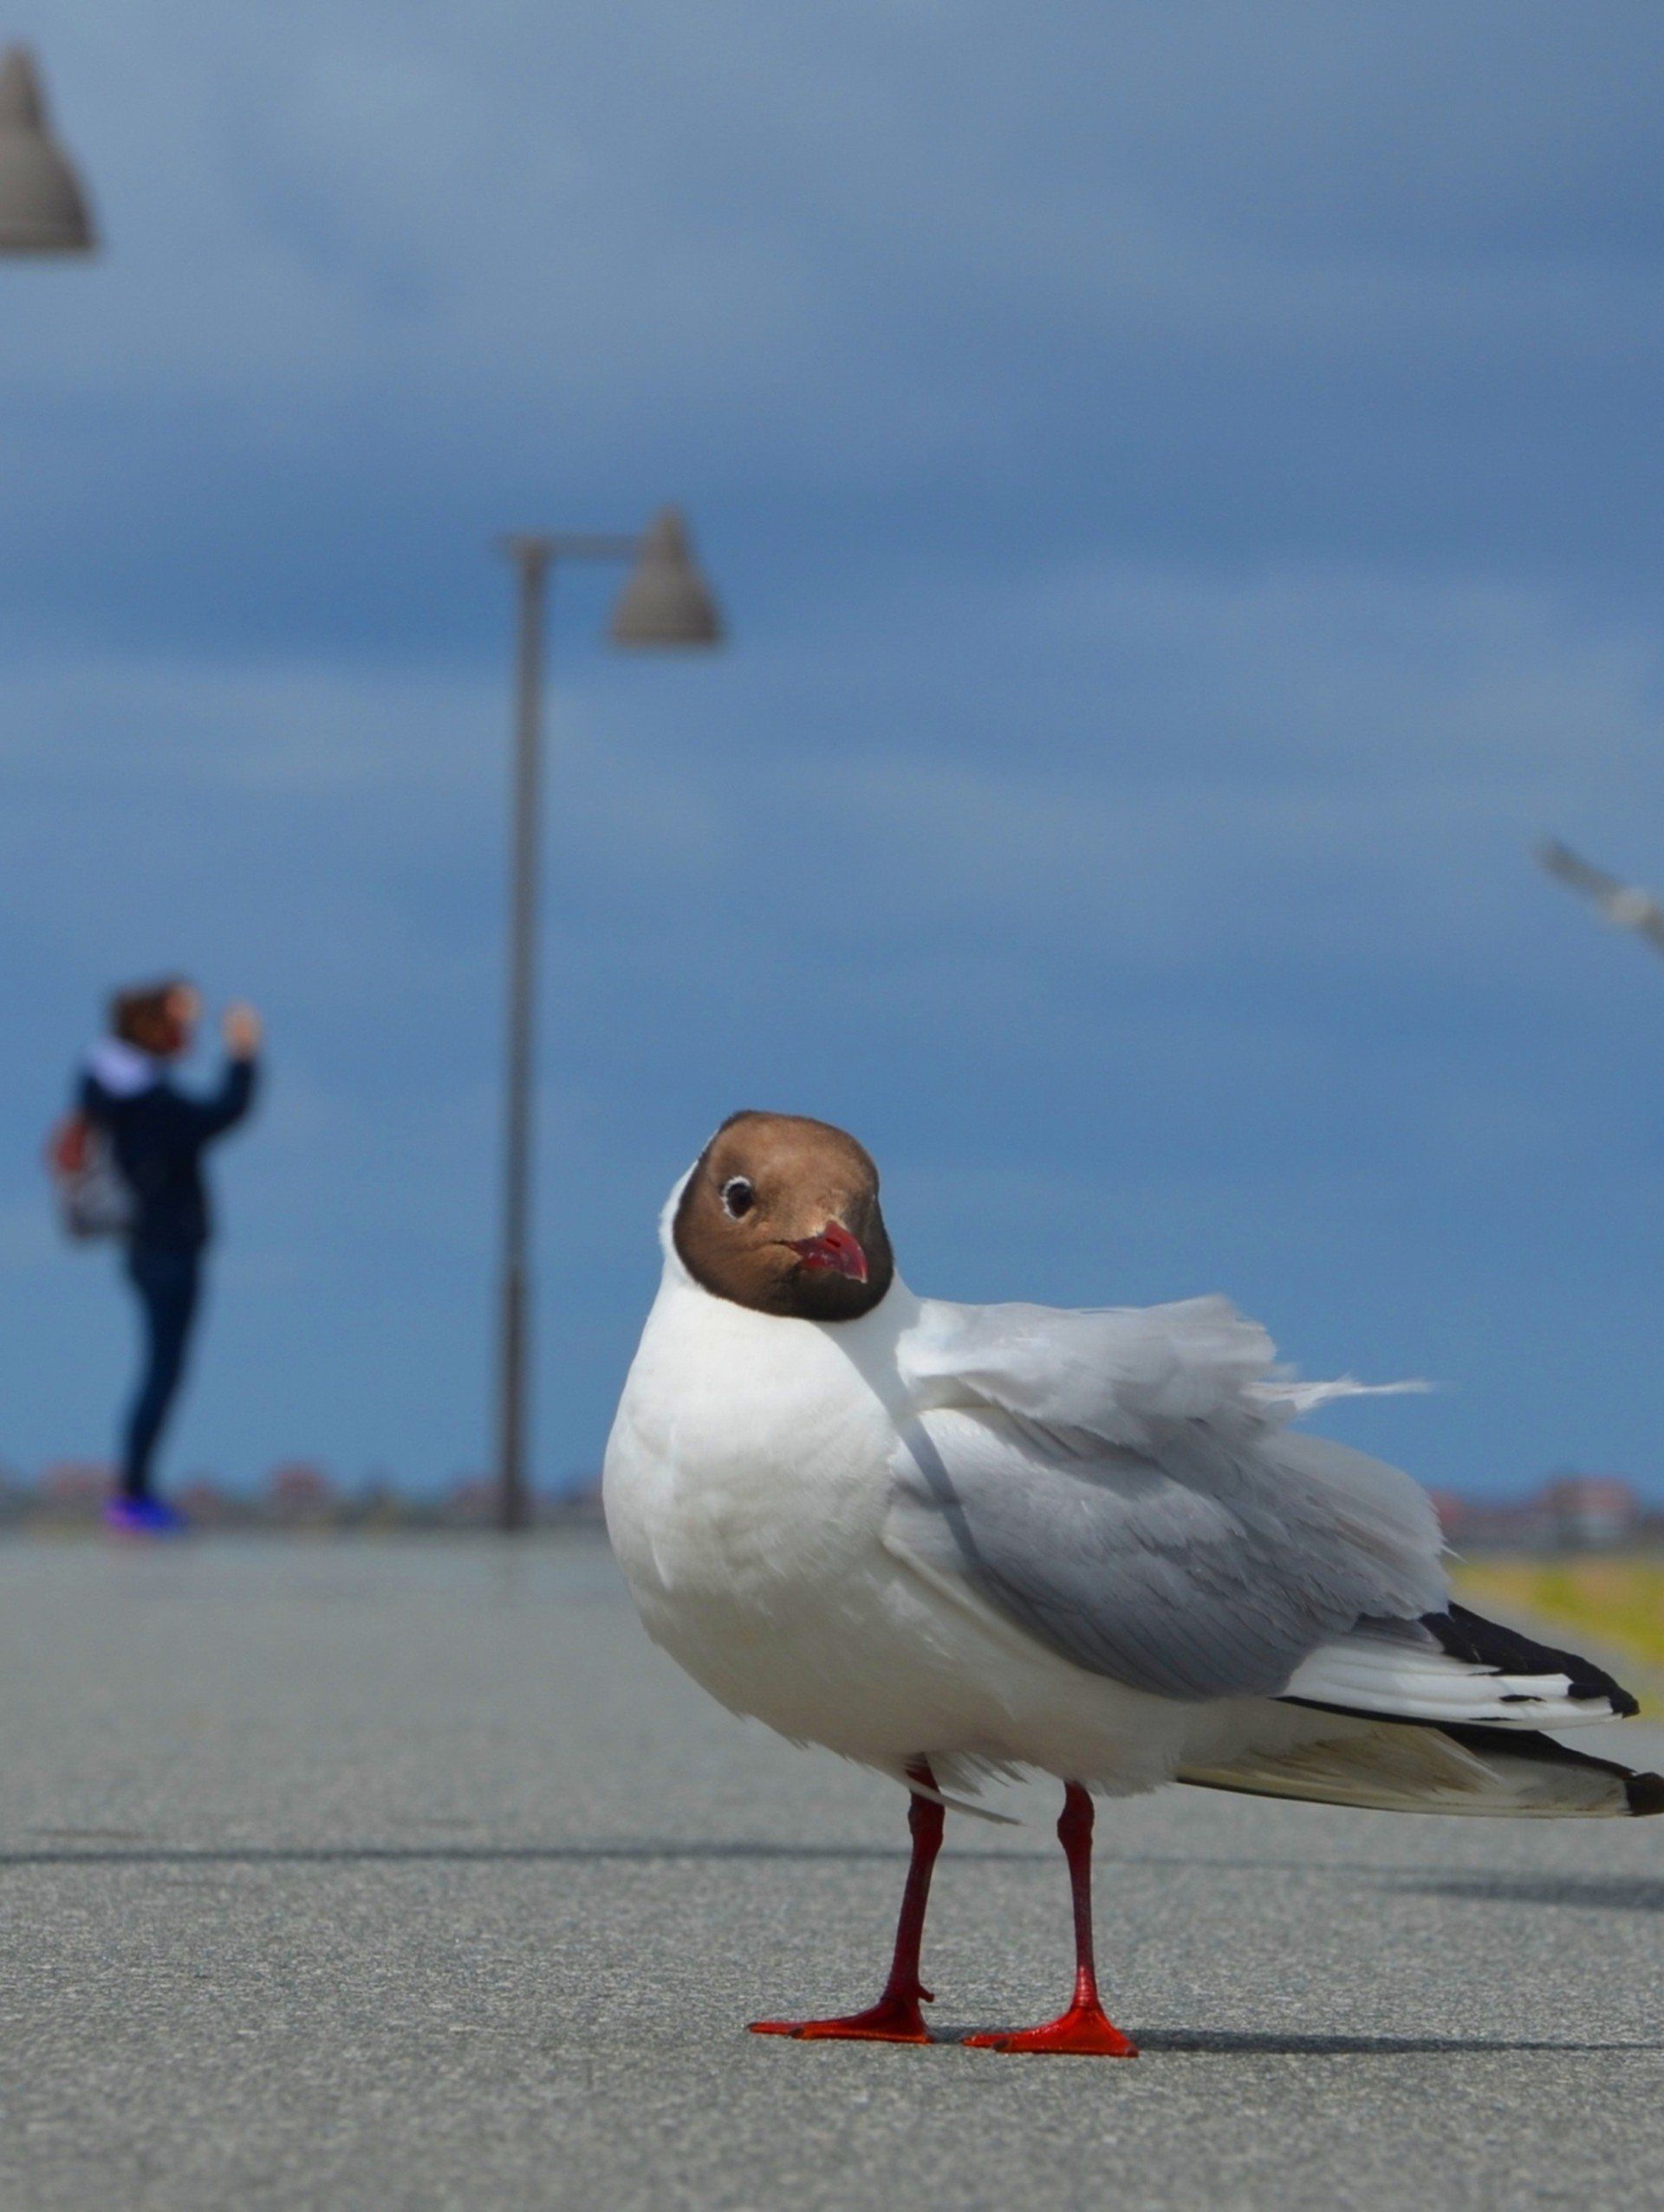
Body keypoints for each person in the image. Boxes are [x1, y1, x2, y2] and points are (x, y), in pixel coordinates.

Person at [80, 980, 263, 1534]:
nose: (188, 1033)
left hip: (144, 1245)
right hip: (165, 1248)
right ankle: (133, 1495)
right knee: (164, 1370)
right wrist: (242, 1053)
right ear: (154, 1028)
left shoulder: (111, 1087)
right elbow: (222, 1113)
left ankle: (135, 1490)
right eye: (180, 1022)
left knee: (161, 1369)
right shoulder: (149, 1101)